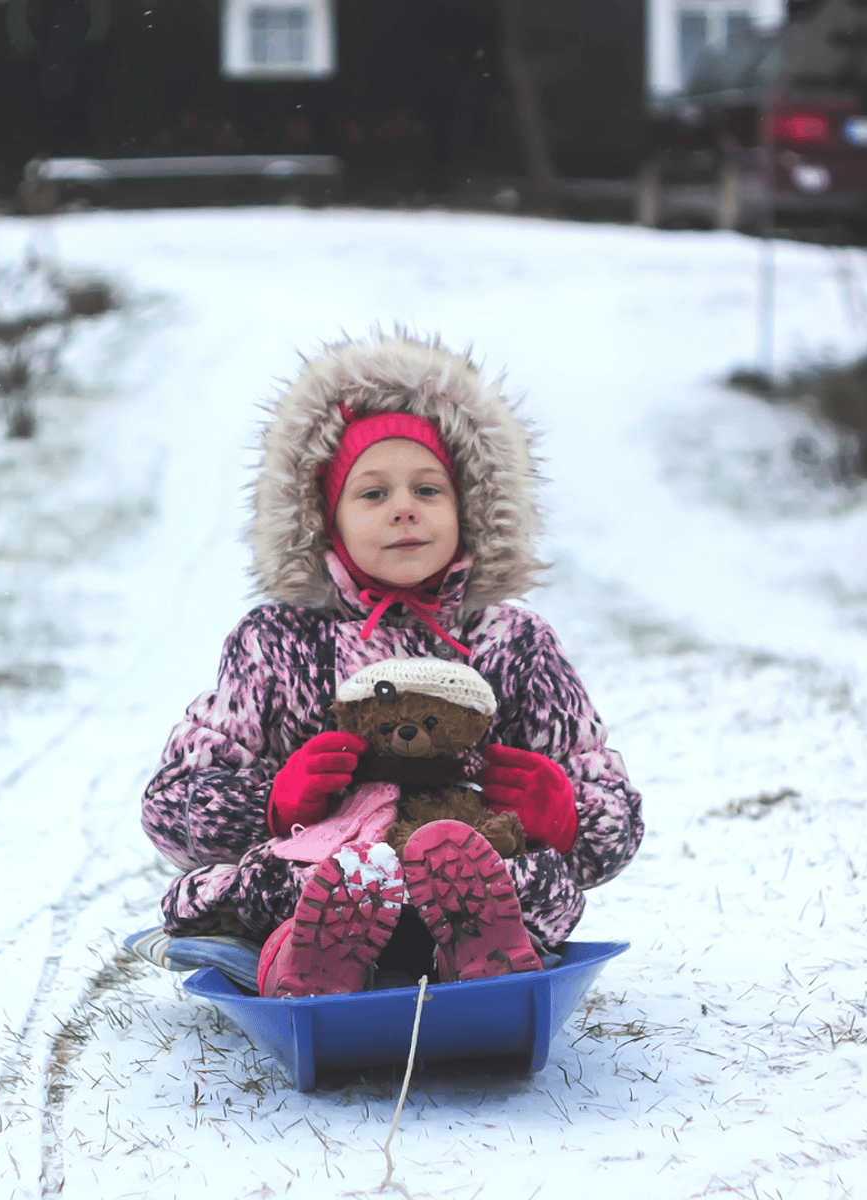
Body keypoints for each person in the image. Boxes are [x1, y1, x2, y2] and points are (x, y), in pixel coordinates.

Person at [141, 331, 644, 996]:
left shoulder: (512, 642)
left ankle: (476, 960)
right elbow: (171, 803)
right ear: (327, 520)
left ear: (471, 510)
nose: (404, 506)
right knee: (289, 885)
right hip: (324, 884)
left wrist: (566, 814)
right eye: (372, 494)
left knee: (517, 881)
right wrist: (271, 803)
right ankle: (310, 963)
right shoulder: (278, 643)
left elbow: (613, 813)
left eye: (428, 489)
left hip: (478, 881)